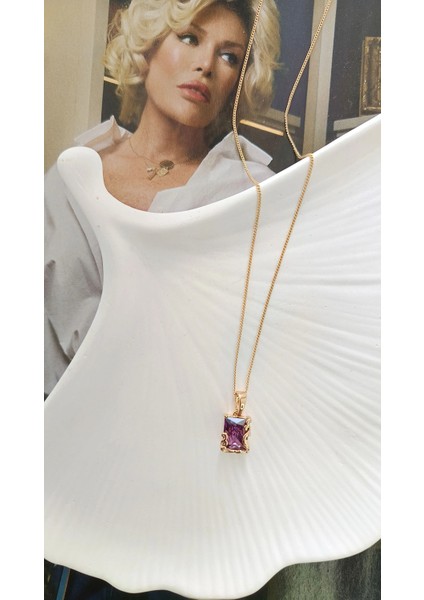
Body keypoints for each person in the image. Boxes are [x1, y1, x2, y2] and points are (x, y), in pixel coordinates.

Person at [44, 0, 281, 397]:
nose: (206, 65)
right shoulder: (67, 178)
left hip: (180, 425)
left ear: (238, 83)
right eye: (189, 38)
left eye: (229, 57)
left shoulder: (250, 195)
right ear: (149, 46)